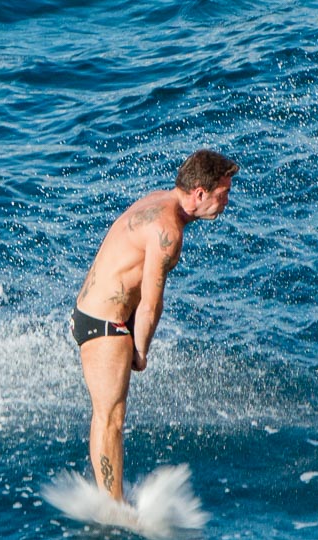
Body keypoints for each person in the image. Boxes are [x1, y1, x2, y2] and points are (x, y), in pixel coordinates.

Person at [70, 149, 239, 502]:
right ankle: (111, 507)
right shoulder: (168, 230)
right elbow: (151, 303)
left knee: (108, 415)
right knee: (110, 418)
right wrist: (141, 350)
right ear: (199, 193)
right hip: (106, 324)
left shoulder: (159, 200)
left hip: (95, 312)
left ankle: (108, 493)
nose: (226, 203)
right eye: (222, 195)